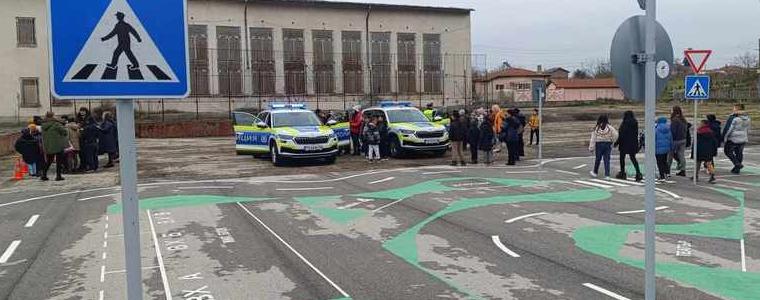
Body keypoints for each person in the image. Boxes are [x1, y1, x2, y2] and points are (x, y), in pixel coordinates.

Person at [723, 103, 751, 174]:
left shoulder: (733, 117)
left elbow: (728, 129)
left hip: (733, 138)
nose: (733, 109)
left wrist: (724, 137)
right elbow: (748, 128)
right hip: (743, 137)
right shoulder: (747, 117)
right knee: (739, 153)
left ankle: (737, 164)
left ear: (737, 109)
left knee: (727, 151)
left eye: (734, 108)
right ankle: (737, 169)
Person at [41, 112, 69, 181]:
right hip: (57, 145)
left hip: (48, 146)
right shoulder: (56, 124)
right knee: (59, 161)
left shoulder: (43, 125)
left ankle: (43, 175)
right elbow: (64, 132)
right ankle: (58, 176)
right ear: (52, 116)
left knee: (49, 161)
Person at [615, 111, 642, 181]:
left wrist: (617, 143)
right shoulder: (635, 123)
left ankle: (622, 172)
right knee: (633, 158)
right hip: (633, 143)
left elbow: (621, 135)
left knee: (622, 158)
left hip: (624, 144)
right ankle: (638, 173)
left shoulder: (624, 123)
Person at [589, 115, 618, 179]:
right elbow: (616, 135)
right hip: (608, 144)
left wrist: (591, 148)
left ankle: (595, 172)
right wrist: (613, 141)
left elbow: (593, 138)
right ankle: (607, 175)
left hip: (599, 144)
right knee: (607, 159)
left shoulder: (596, 128)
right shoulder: (610, 127)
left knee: (598, 159)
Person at [669, 106, 688, 177]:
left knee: (670, 155)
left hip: (675, 140)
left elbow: (673, 131)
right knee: (681, 155)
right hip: (683, 139)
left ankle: (667, 171)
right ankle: (683, 170)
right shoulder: (683, 119)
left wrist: (670, 139)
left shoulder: (675, 120)